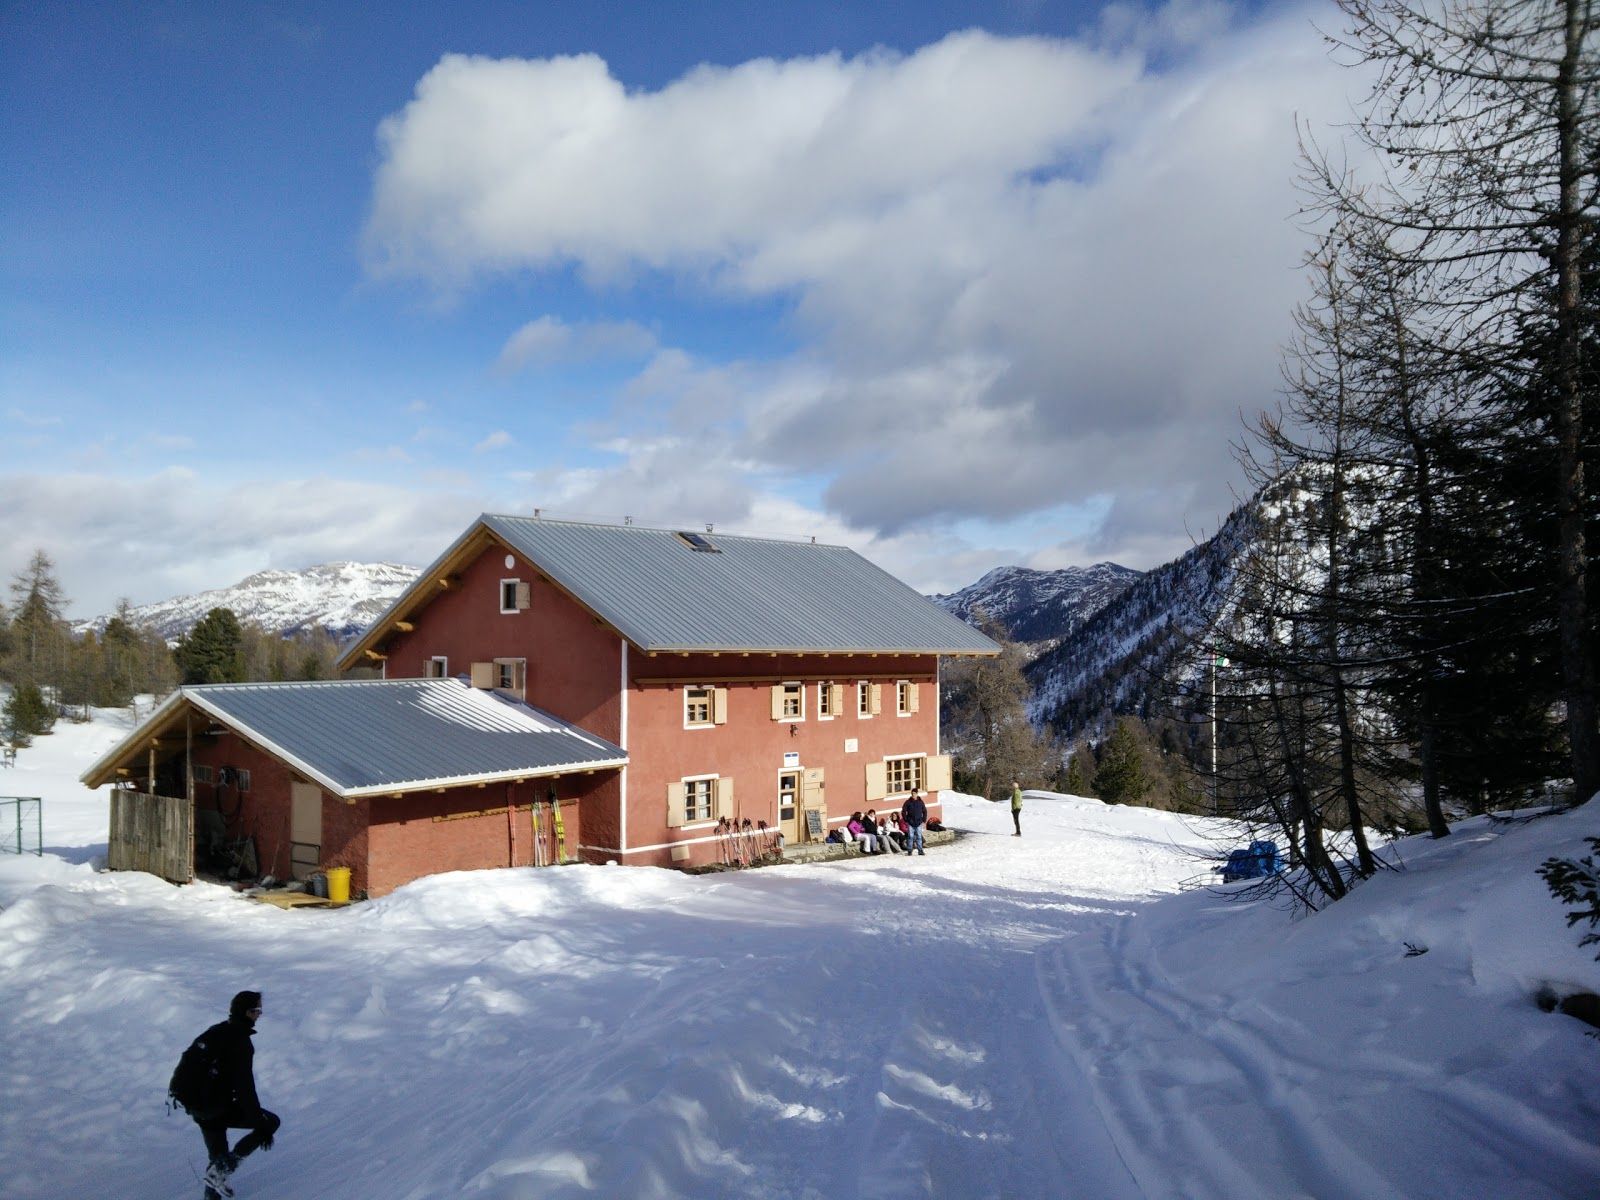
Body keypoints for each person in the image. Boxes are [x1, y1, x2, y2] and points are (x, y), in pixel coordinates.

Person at [192, 991, 280, 1200]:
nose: (259, 1014)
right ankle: (223, 1168)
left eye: (259, 1010)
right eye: (256, 1010)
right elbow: (245, 1088)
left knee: (217, 1159)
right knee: (271, 1122)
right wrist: (260, 1123)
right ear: (245, 1012)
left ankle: (215, 1182)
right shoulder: (240, 1042)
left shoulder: (216, 1031)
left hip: (198, 1105)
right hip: (218, 1107)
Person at [901, 791, 927, 855]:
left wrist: (923, 820)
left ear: (917, 794)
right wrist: (906, 819)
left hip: (918, 822)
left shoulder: (920, 802)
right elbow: (903, 811)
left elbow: (924, 811)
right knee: (910, 837)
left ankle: (920, 850)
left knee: (919, 837)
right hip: (911, 823)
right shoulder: (908, 802)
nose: (913, 795)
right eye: (912, 794)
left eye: (914, 793)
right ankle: (909, 850)